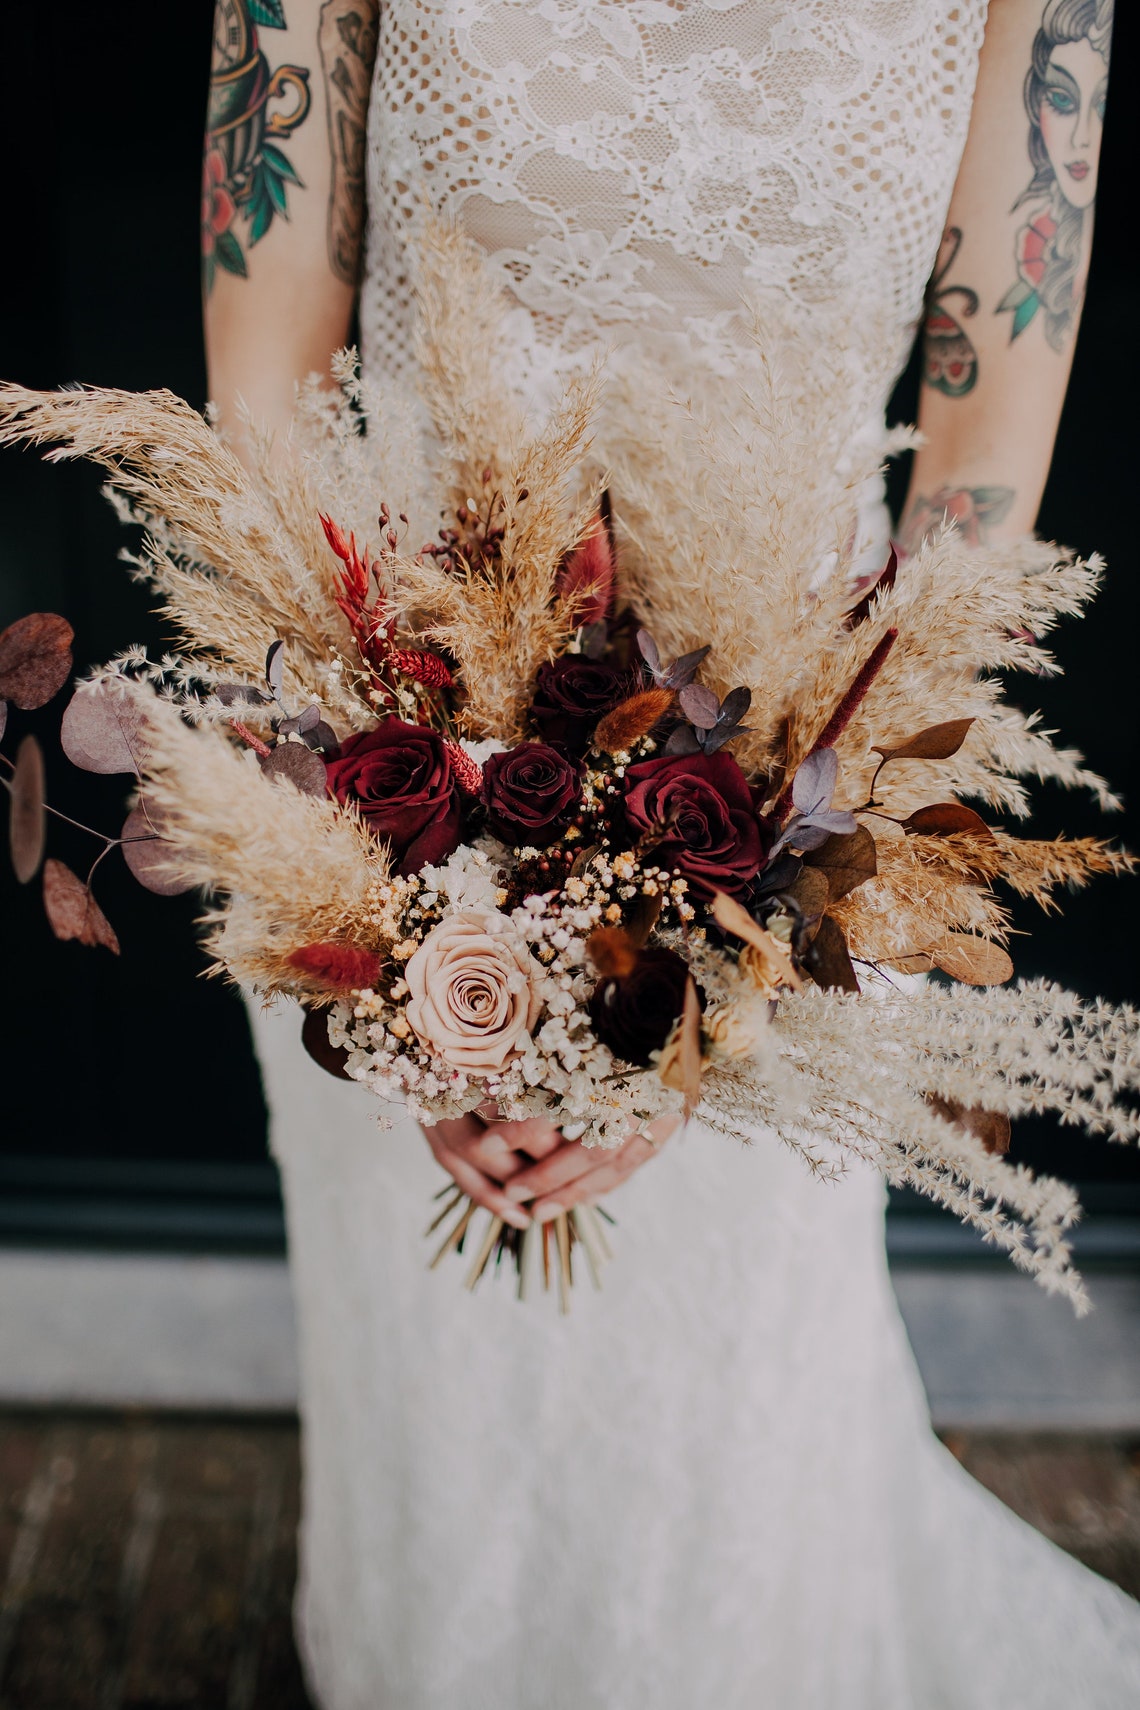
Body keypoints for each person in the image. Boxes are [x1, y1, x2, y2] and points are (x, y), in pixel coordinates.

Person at [204, 2, 1140, 1706]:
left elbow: (981, 459)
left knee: (731, 1472)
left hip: (792, 820)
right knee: (439, 1428)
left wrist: (736, 947)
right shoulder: (382, 817)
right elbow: (271, 370)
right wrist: (403, 903)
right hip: (385, 755)